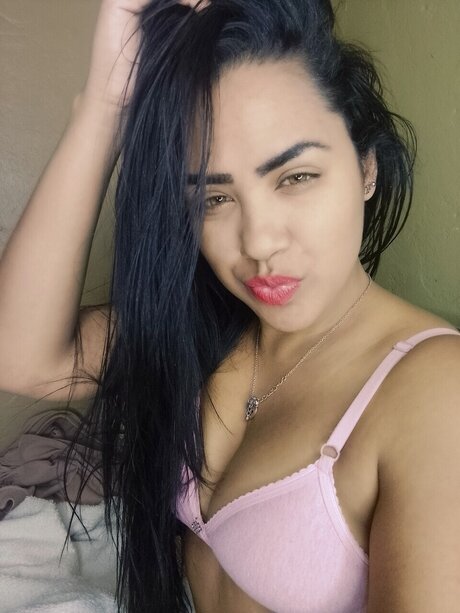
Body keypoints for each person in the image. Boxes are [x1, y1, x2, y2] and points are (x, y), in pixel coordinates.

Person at [0, 0, 459, 611]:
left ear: (366, 168)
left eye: (296, 177)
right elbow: (23, 358)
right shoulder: (214, 325)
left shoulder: (434, 389)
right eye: (213, 199)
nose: (258, 242)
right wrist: (106, 106)